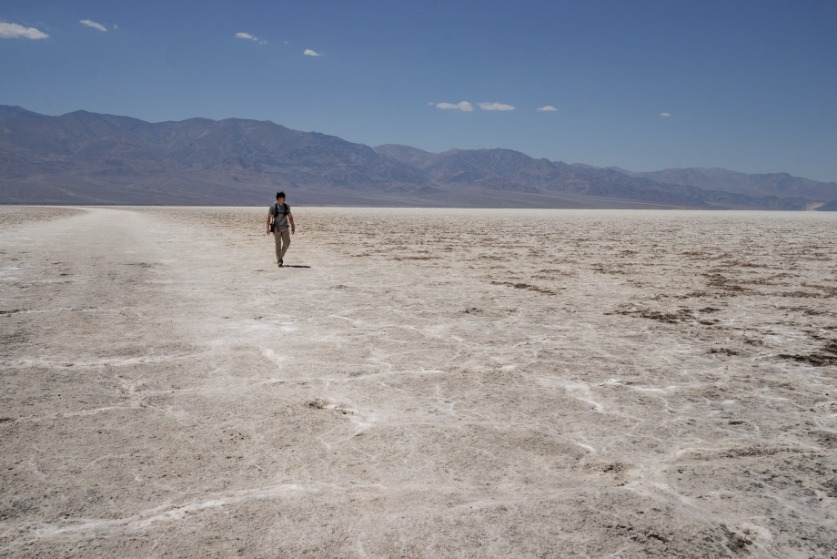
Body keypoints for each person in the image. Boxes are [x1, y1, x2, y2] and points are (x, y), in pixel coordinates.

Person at [265, 191, 296, 267]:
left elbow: (290, 217)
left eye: (284, 198)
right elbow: (268, 217)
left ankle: (279, 258)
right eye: (282, 198)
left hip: (285, 228)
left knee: (287, 243)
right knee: (278, 245)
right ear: (279, 199)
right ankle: (279, 261)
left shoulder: (286, 207)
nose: (284, 199)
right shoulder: (273, 207)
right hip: (276, 229)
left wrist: (293, 226)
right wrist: (267, 228)